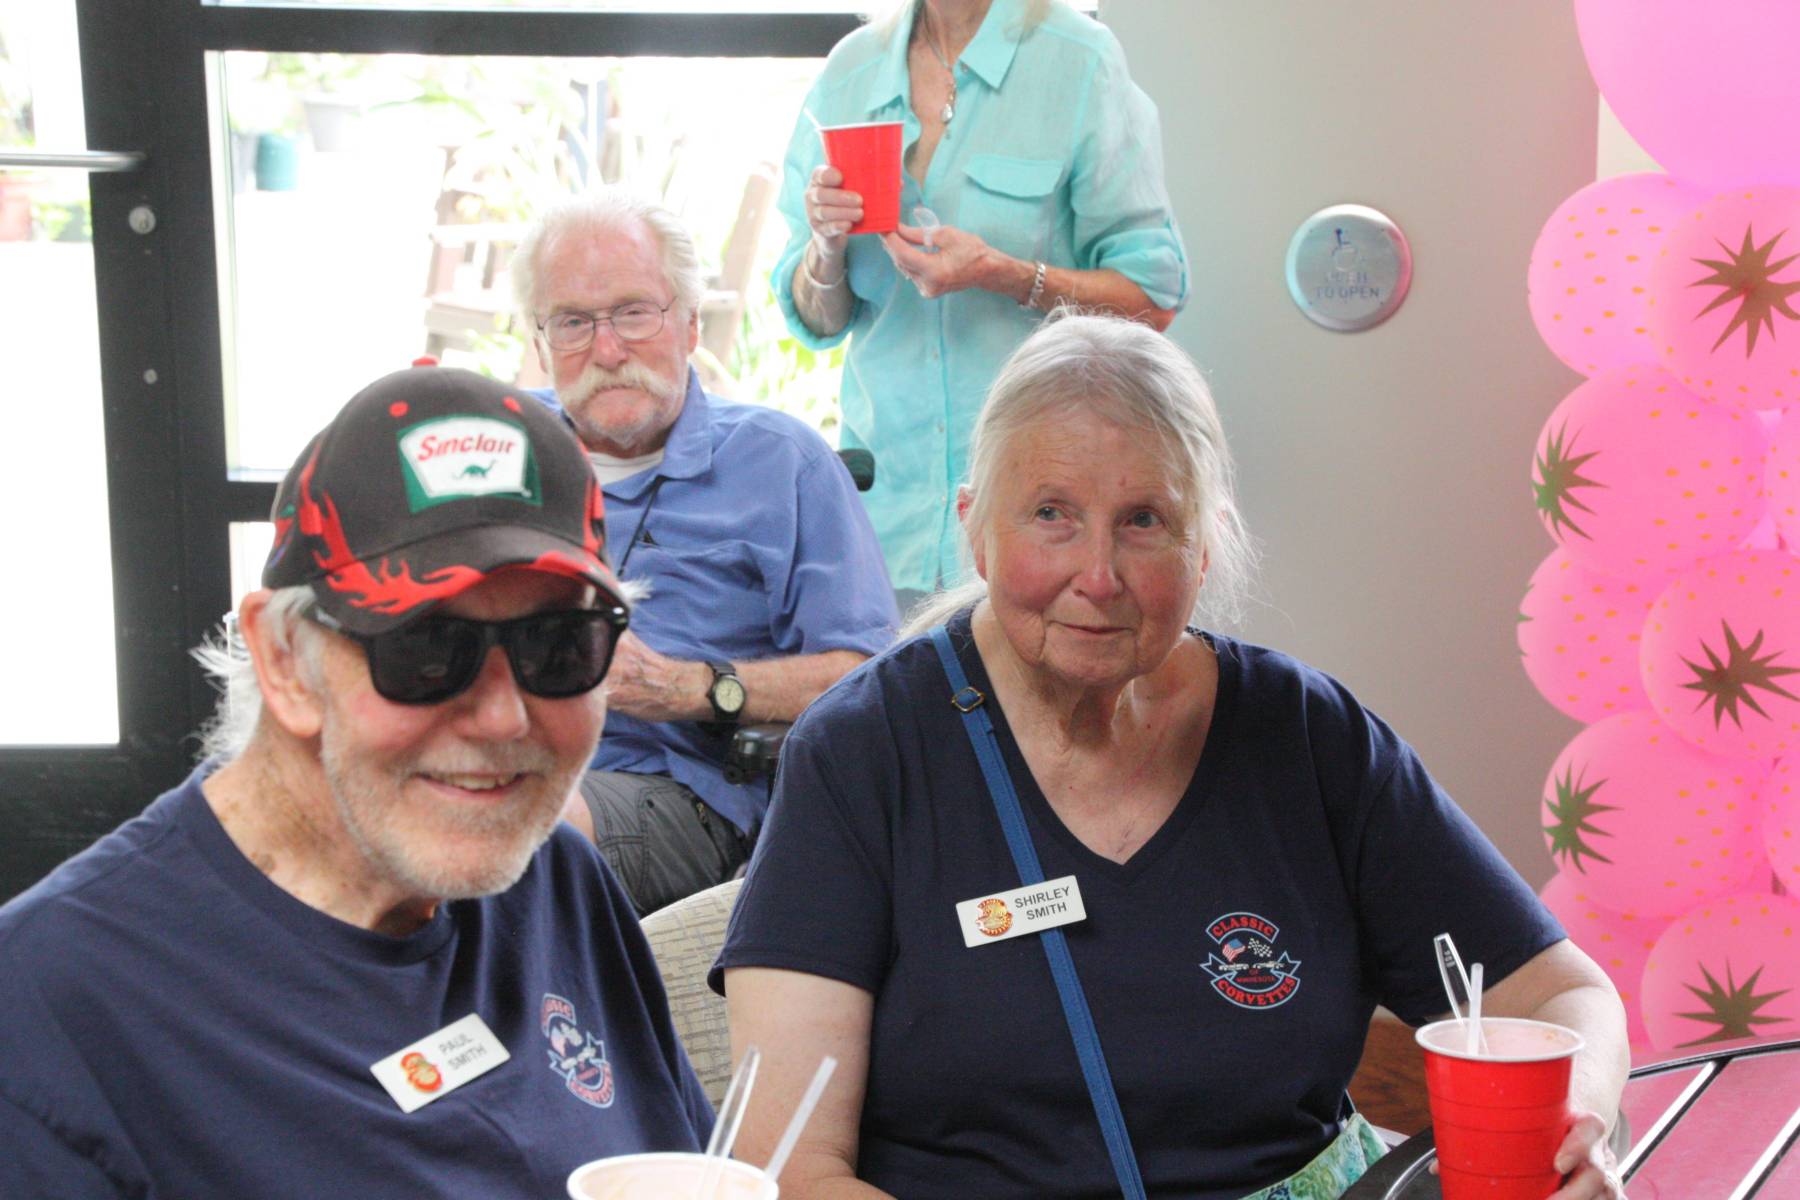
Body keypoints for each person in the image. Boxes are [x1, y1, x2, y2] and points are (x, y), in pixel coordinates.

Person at [715, 313, 1630, 1199]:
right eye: (1051, 514)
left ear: (1206, 544)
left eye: (1145, 520)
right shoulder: (861, 755)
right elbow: (785, 1168)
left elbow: (1563, 997)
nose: (1099, 575)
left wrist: (1577, 1123)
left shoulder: (1309, 738)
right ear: (975, 529)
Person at [0, 365, 715, 1199]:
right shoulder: (53, 1010)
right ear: (284, 661)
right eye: (425, 648)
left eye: (560, 645)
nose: (502, 718)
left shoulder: (556, 880)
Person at [508, 189, 899, 916]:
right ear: (540, 340)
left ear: (690, 323)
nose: (607, 350)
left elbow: (867, 680)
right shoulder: (499, 449)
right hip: (492, 753)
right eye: (573, 322)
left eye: (634, 312)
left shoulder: (781, 461)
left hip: (679, 792)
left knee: (510, 834)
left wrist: (692, 688)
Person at [779, 0, 1190, 595]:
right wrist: (824, 245)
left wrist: (1005, 274)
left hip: (1043, 521)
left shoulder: (1079, 58)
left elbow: (1152, 298)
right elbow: (817, 320)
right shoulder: (851, 70)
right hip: (881, 523)